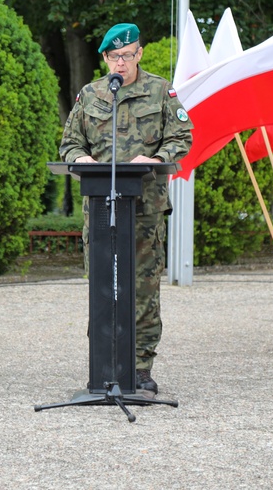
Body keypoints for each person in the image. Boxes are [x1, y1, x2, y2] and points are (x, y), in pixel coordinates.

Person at [59, 23, 193, 394]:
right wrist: (81, 158)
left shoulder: (160, 90)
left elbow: (182, 136)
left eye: (129, 54)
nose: (122, 62)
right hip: (101, 211)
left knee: (142, 289)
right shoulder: (91, 95)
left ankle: (140, 367)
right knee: (103, 287)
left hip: (144, 209)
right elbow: (69, 143)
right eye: (115, 56)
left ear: (140, 53)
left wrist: (153, 158)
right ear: (104, 58)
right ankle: (105, 363)